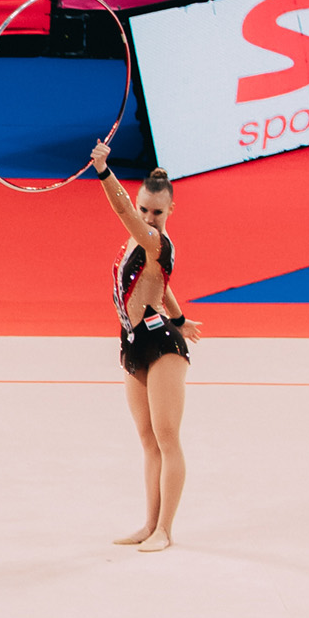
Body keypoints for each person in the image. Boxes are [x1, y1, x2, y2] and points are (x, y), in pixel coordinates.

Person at [94, 143, 197, 551]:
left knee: (167, 437)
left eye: (157, 212)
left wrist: (104, 171)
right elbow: (160, 285)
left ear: (170, 211)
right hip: (134, 344)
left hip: (161, 345)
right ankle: (150, 524)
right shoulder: (138, 243)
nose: (149, 218)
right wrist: (182, 317)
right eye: (144, 210)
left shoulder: (156, 241)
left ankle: (165, 530)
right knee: (148, 440)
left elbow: (121, 210)